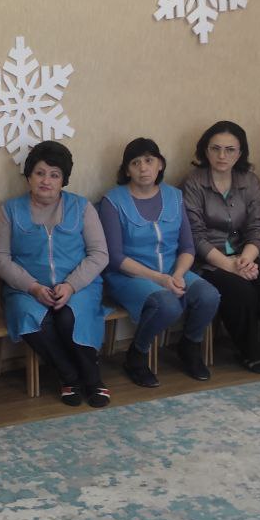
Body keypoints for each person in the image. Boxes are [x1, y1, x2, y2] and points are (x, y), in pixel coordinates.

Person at [0, 141, 110, 407]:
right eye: (40, 173)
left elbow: (99, 254)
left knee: (69, 317)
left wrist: (71, 285)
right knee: (32, 317)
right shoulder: (9, 210)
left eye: (54, 175)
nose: (46, 181)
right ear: (29, 176)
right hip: (26, 289)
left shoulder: (82, 207)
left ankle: (92, 378)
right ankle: (69, 376)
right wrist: (33, 287)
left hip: (79, 286)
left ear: (63, 180)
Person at [99, 138, 220, 388]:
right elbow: (115, 257)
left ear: (160, 164)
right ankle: (136, 355)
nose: (143, 168)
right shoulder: (113, 201)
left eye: (149, 160)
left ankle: (189, 346)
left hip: (173, 270)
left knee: (209, 295)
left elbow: (187, 247)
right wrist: (160, 279)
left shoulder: (175, 196)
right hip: (128, 276)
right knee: (167, 305)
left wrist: (178, 274)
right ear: (127, 170)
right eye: (135, 163)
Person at [181, 121, 260, 377]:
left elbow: (257, 227)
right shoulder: (193, 182)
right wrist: (230, 266)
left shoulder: (249, 181)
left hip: (245, 255)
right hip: (209, 260)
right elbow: (195, 236)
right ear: (205, 150)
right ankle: (250, 352)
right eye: (216, 148)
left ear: (240, 153)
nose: (222, 156)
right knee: (241, 291)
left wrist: (245, 260)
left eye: (230, 149)